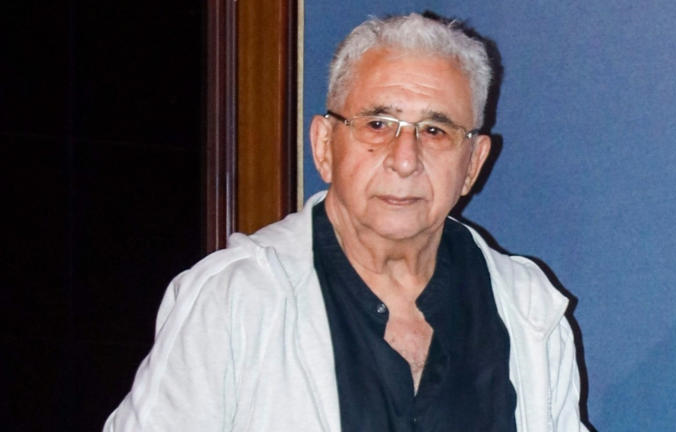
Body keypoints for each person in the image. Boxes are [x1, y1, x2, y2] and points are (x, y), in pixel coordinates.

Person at [104, 12, 589, 432]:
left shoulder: (527, 309)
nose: (405, 159)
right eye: (377, 125)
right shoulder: (234, 301)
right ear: (324, 146)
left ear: (473, 164)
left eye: (435, 130)